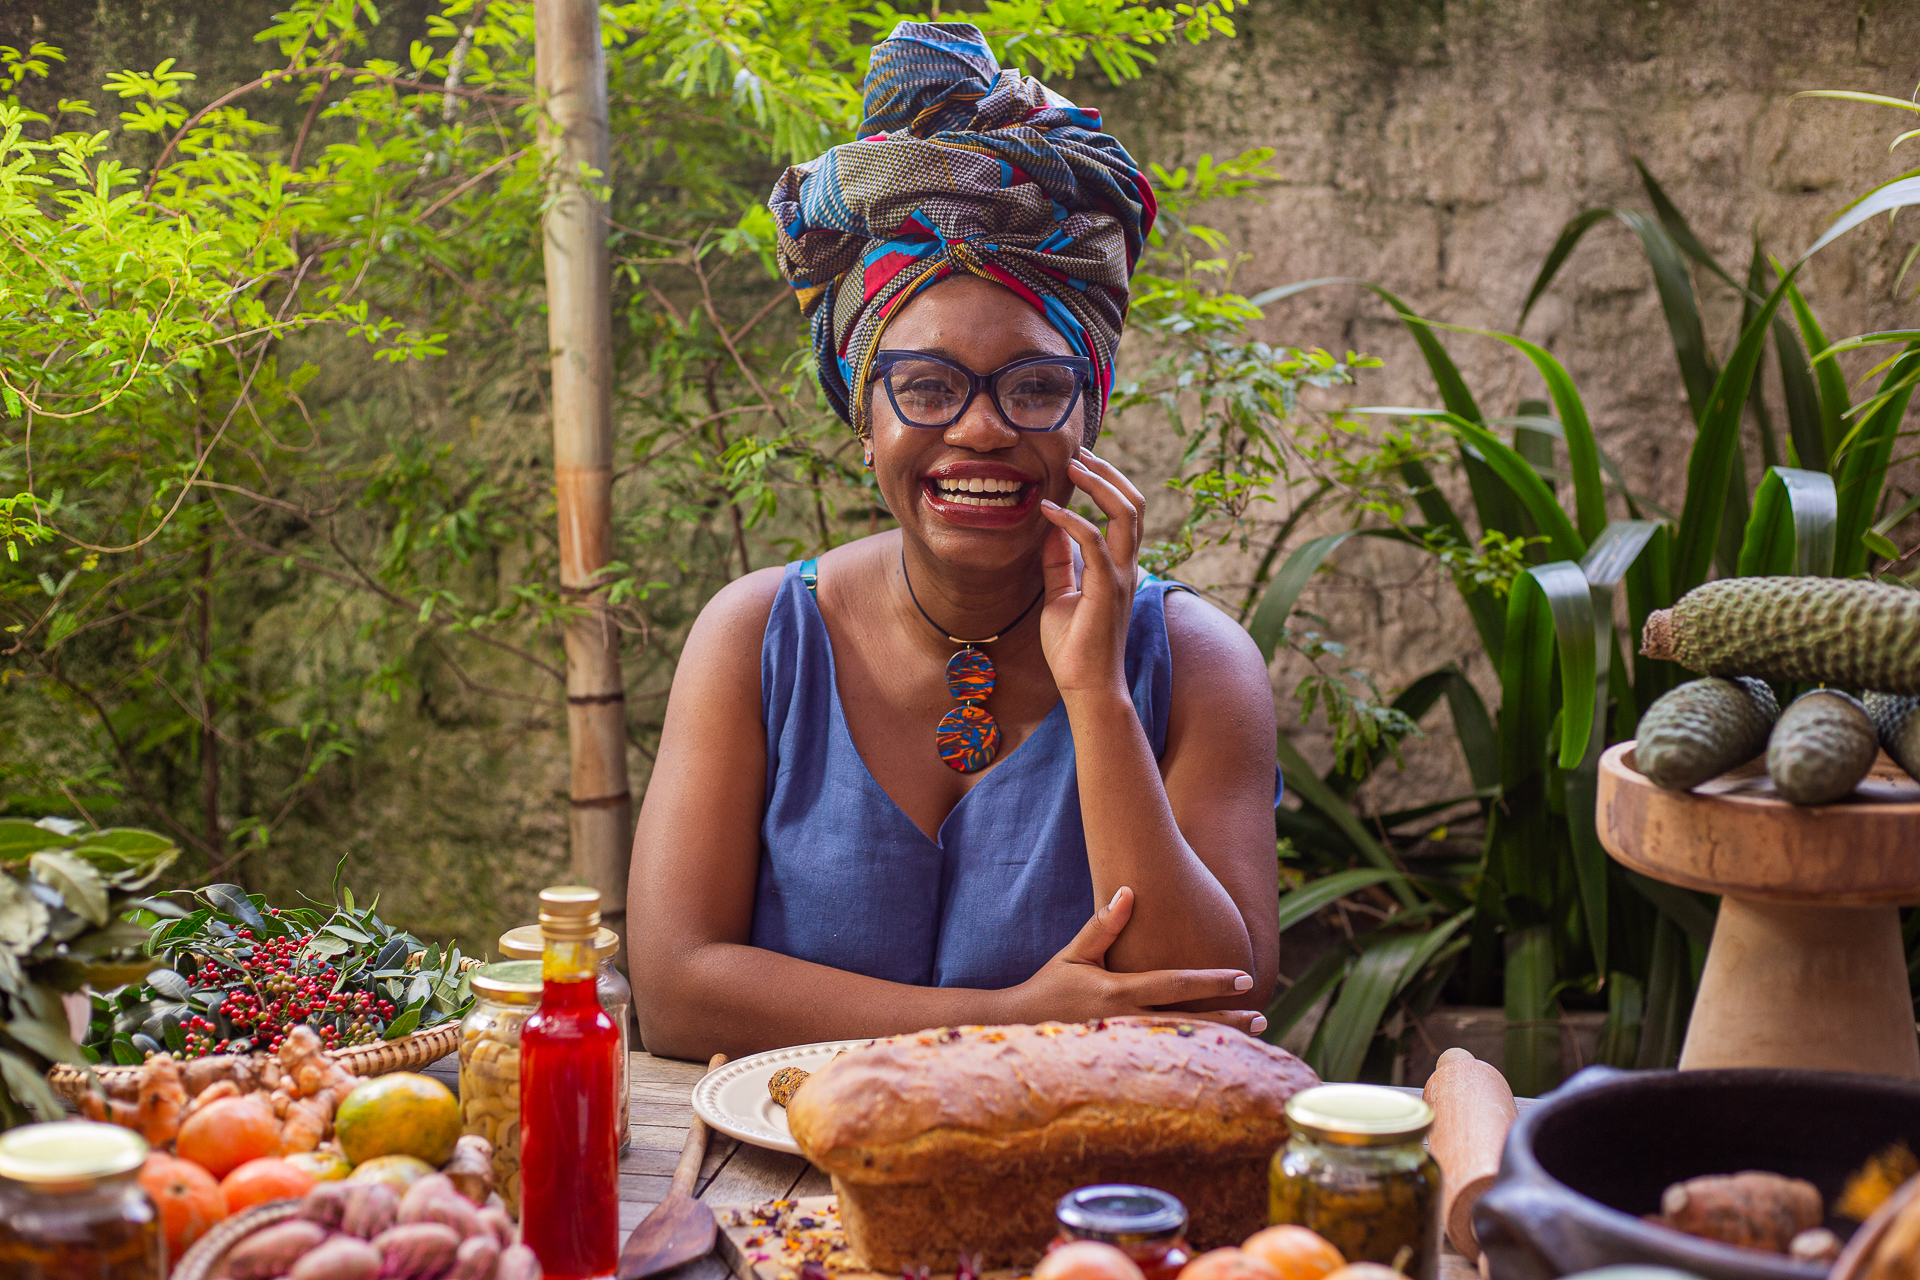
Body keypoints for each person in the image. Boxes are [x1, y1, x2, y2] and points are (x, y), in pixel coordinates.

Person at [629, 21, 1281, 1059]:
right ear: (864, 409)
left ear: (1088, 414)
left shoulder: (1197, 665)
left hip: (1081, 1202)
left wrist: (1099, 698)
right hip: (772, 1202)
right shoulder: (757, 638)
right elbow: (674, 991)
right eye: (926, 386)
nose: (980, 429)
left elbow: (1214, 1010)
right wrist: (1008, 1018)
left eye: (1033, 387)